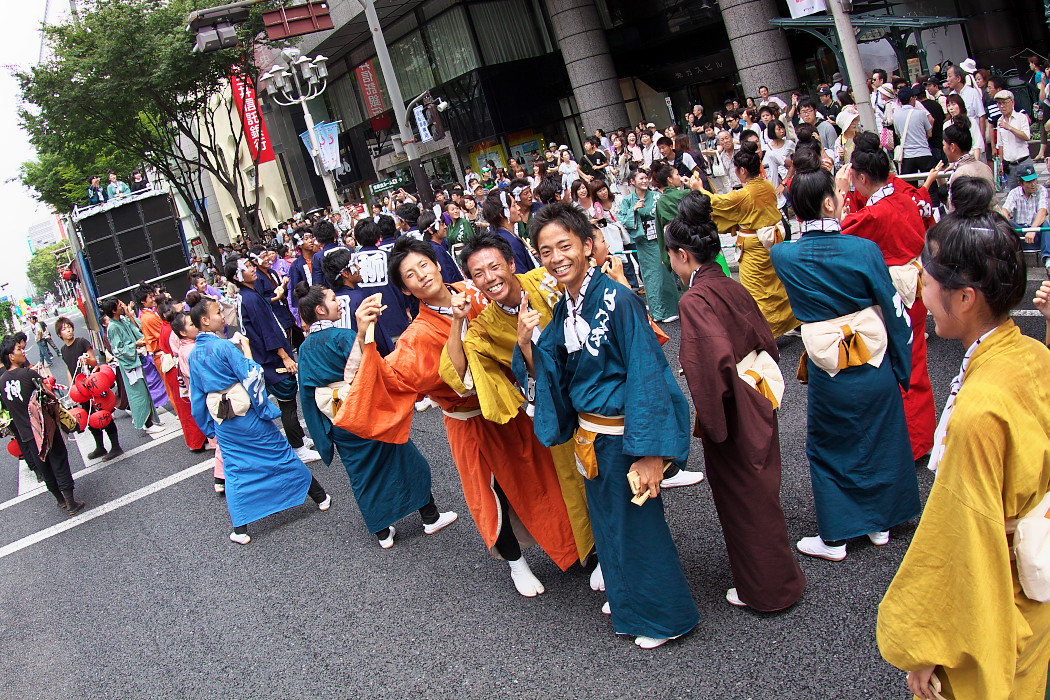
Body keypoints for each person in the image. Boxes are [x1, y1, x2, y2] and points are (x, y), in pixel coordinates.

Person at [335, 238, 579, 597]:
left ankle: (576, 546)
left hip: (516, 407)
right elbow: (375, 382)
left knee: (550, 476)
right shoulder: (416, 337)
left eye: (424, 265)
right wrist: (362, 334)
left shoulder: (475, 288)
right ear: (405, 288)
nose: (421, 275)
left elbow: (521, 296)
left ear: (436, 263)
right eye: (410, 275)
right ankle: (517, 564)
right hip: (471, 421)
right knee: (495, 495)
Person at [877, 203, 1050, 700]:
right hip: (1033, 584)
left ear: (966, 297)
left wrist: (929, 644)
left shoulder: (979, 414)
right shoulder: (1033, 354)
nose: (922, 292)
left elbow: (960, 541)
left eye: (928, 281)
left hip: (996, 595)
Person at [515, 202, 699, 649]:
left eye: (565, 245)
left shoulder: (618, 300)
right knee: (611, 526)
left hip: (623, 437)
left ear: (587, 244)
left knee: (639, 529)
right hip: (591, 439)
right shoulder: (567, 307)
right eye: (546, 250)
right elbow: (554, 366)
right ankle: (631, 602)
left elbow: (647, 374)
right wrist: (526, 343)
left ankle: (666, 616)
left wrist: (651, 452)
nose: (557, 257)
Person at [771, 147, 920, 561]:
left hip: (829, 367)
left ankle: (836, 535)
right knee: (882, 438)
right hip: (873, 362)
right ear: (830, 203)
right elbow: (893, 309)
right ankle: (880, 524)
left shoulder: (783, 256)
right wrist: (902, 366)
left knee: (831, 445)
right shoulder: (864, 250)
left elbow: (791, 243)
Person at [667, 191, 806, 611]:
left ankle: (764, 589)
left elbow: (709, 364)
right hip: (758, 388)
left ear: (683, 255)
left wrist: (714, 422)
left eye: (669, 255)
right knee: (762, 490)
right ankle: (778, 578)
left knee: (742, 498)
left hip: (733, 403)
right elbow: (765, 337)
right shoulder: (729, 282)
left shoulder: (694, 299)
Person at [294, 283, 458, 549]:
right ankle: (430, 516)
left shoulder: (305, 348)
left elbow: (307, 394)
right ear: (321, 310)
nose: (339, 303)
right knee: (407, 459)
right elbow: (374, 368)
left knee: (361, 474)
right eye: (334, 300)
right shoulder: (344, 336)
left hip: (337, 418)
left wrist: (321, 432)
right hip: (366, 409)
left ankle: (382, 531)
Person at [187, 297, 332, 545]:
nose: (223, 316)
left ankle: (240, 528)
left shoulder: (194, 354)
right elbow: (252, 375)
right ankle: (319, 496)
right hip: (247, 415)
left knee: (235, 469)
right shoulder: (224, 348)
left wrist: (209, 427)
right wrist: (247, 351)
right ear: (205, 320)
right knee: (280, 454)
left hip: (223, 421)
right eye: (218, 312)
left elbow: (197, 397)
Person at [839, 133, 937, 461]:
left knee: (901, 365)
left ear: (862, 178)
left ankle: (914, 441)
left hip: (897, 295)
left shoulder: (875, 213)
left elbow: (840, 235)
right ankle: (920, 435)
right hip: (916, 286)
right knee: (914, 362)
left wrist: (840, 194)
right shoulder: (904, 195)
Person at [225, 255, 320, 464]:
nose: (252, 269)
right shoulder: (249, 297)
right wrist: (284, 356)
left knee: (288, 401)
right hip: (272, 358)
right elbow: (266, 330)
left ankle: (300, 438)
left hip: (266, 355)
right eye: (247, 267)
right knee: (288, 402)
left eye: (251, 265)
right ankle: (297, 447)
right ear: (236, 276)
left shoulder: (248, 294)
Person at [703, 141, 799, 337]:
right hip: (772, 241)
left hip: (753, 245)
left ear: (743, 171)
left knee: (756, 291)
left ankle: (768, 333)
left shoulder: (744, 194)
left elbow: (717, 203)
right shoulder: (768, 186)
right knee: (777, 285)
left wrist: (699, 189)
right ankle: (789, 323)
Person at [0, 336, 84, 514]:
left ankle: (60, 500)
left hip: (26, 433)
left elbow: (7, 406)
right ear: (10, 356)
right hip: (45, 429)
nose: (23, 351)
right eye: (18, 349)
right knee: (59, 461)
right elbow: (49, 395)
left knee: (44, 468)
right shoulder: (28, 374)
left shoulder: (2, 381)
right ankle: (71, 501)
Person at [55, 316, 122, 461]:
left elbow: (94, 361)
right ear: (59, 334)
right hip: (81, 390)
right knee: (88, 417)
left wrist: (86, 360)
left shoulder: (82, 342)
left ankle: (116, 447)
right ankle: (100, 447)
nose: (69, 330)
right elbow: (69, 369)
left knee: (103, 414)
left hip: (94, 387)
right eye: (64, 329)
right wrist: (72, 388)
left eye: (69, 327)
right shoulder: (64, 350)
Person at [618, 168, 681, 322]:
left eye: (646, 178)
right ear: (632, 182)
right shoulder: (627, 201)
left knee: (665, 273)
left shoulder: (657, 197)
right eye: (641, 178)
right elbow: (623, 220)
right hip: (644, 242)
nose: (645, 181)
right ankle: (658, 312)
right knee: (651, 277)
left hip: (659, 239)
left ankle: (673, 308)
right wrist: (634, 210)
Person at [101, 298, 162, 435]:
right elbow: (118, 350)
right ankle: (146, 423)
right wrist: (135, 345)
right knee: (138, 394)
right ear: (113, 310)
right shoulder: (113, 327)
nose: (122, 305)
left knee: (144, 392)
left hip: (135, 359)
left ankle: (150, 419)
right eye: (119, 305)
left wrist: (129, 315)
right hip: (129, 364)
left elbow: (137, 330)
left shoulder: (122, 320)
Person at [349, 217, 412, 345]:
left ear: (357, 239)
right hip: (394, 317)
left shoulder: (351, 264)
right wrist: (406, 308)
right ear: (379, 236)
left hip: (367, 324)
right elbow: (400, 286)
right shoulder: (389, 257)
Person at [156, 298, 209, 452]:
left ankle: (197, 440)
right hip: (179, 369)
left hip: (176, 368)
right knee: (190, 408)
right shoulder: (171, 332)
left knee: (188, 408)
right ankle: (197, 442)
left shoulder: (167, 328)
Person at [1004, 165, 1050, 274]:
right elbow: (1005, 210)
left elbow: (1042, 211)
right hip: (1020, 232)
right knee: (1005, 223)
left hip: (1036, 232)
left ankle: (1048, 259)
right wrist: (1005, 217)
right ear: (1021, 183)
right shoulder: (1014, 193)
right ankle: (1007, 257)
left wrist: (1033, 229)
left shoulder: (1041, 190)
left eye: (1034, 180)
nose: (1033, 184)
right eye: (1029, 182)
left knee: (1046, 224)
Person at [481, 188, 537, 273]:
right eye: (514, 205)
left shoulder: (497, 235)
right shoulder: (510, 242)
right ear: (502, 213)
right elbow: (521, 275)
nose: (518, 208)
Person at [994, 89, 1034, 192]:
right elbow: (1001, 144)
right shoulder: (999, 121)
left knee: (1030, 192)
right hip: (1009, 165)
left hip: (1023, 162)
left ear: (1012, 102)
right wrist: (1001, 164)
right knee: (1012, 194)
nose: (1002, 106)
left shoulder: (1021, 118)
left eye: (1004, 103)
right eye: (999, 103)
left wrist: (1009, 127)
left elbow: (1026, 136)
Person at [947, 64, 986, 160]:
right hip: (960, 141)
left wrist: (982, 138)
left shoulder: (972, 93)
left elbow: (981, 116)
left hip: (974, 137)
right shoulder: (951, 95)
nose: (948, 79)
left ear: (958, 78)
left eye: (950, 76)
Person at [894, 86, 934, 175]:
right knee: (930, 184)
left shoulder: (896, 116)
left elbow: (899, 134)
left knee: (910, 186)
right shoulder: (921, 113)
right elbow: (929, 133)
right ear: (912, 98)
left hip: (907, 155)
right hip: (924, 152)